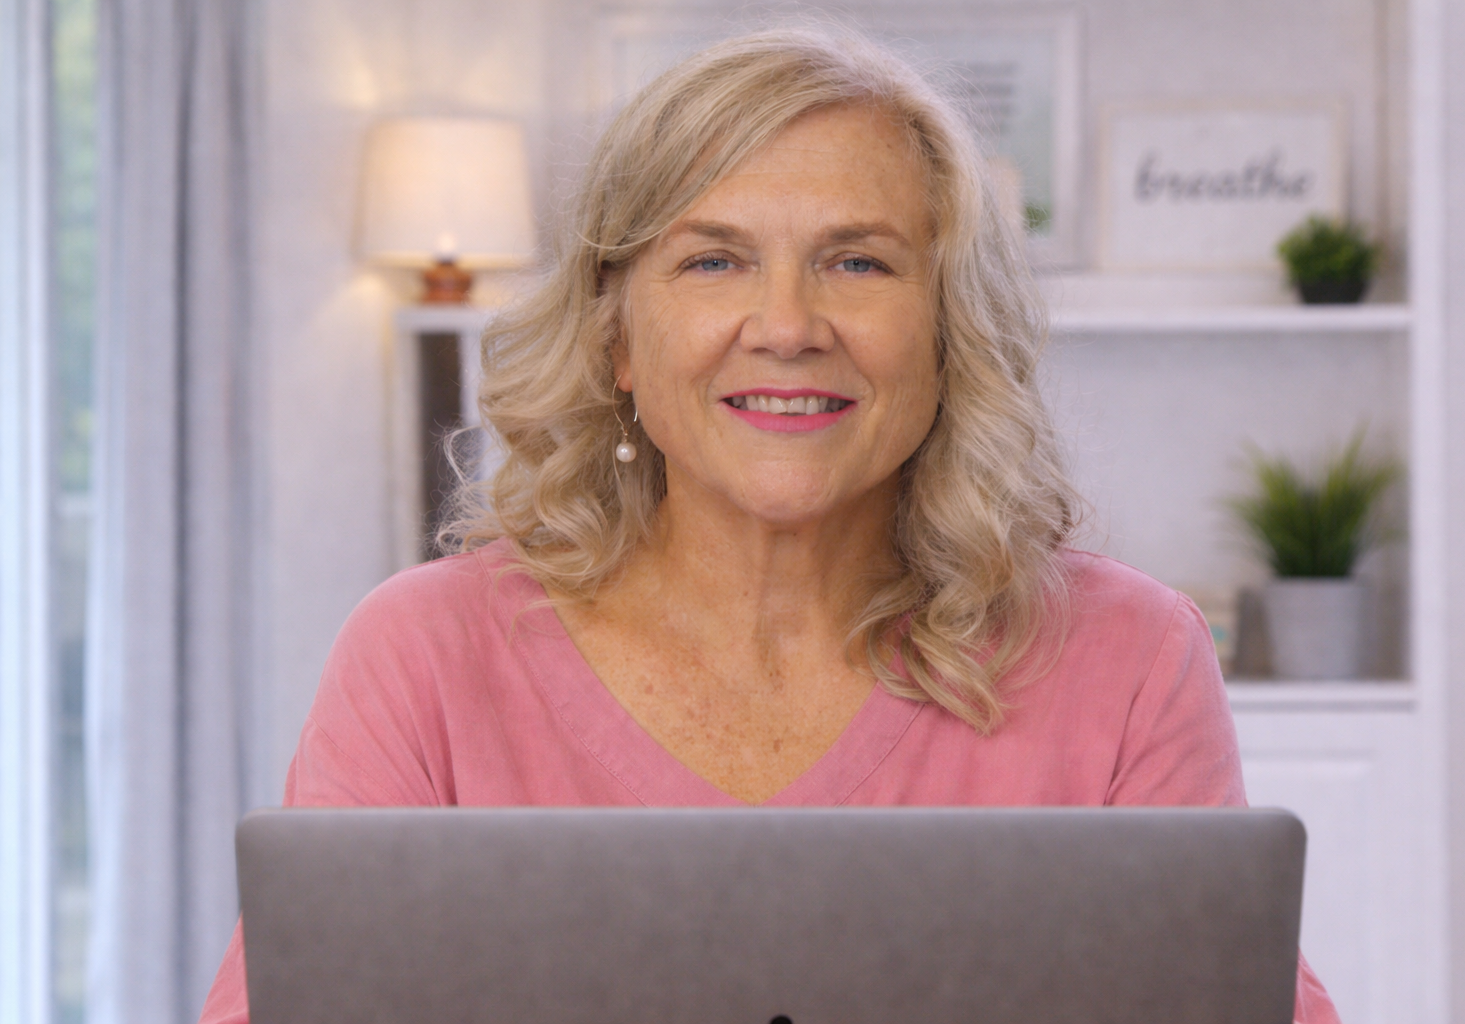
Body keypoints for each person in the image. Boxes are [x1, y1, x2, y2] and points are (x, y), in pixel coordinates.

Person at [200, 29, 1339, 1024]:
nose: (787, 325)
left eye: (858, 260)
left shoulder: (1129, 656)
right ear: (616, 340)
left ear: (947, 335)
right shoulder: (422, 656)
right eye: (713, 259)